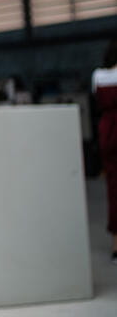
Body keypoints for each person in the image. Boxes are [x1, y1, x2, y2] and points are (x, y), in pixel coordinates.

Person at [92, 39, 117, 264]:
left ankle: (115, 244)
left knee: (112, 188)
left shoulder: (98, 76)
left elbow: (95, 105)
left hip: (107, 131)